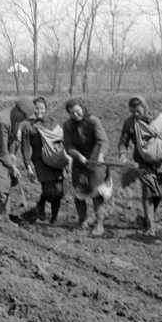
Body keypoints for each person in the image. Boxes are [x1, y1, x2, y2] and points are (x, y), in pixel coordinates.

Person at [118, 96, 162, 236]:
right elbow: (123, 142)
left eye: (138, 111)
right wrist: (122, 154)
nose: (135, 114)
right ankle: (150, 225)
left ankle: (147, 220)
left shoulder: (160, 119)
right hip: (142, 161)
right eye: (132, 112)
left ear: (145, 107)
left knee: (160, 192)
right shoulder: (130, 123)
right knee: (148, 191)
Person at [62, 98, 110, 236]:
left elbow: (103, 140)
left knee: (96, 193)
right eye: (72, 113)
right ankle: (82, 220)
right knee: (79, 193)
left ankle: (99, 223)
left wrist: (100, 156)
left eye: (78, 111)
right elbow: (68, 145)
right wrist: (78, 156)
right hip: (79, 163)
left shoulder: (93, 121)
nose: (76, 115)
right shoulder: (68, 125)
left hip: (96, 162)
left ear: (82, 108)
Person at [20, 96, 66, 224]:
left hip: (55, 159)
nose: (39, 111)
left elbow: (59, 139)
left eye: (41, 108)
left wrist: (63, 157)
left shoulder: (52, 121)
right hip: (40, 161)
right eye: (36, 108)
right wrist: (27, 164)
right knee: (48, 189)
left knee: (59, 190)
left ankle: (53, 218)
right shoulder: (28, 126)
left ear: (45, 109)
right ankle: (40, 209)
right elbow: (25, 146)